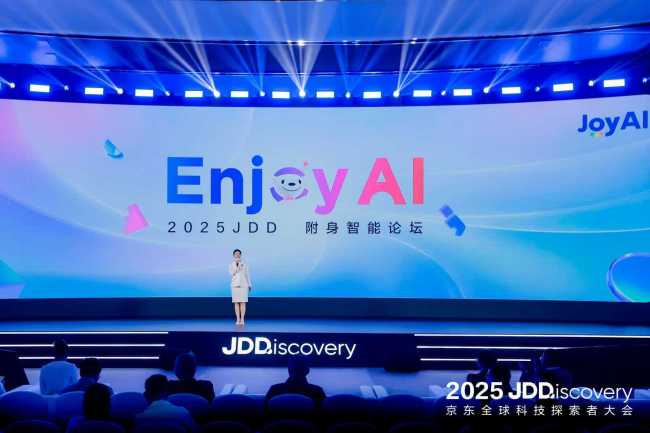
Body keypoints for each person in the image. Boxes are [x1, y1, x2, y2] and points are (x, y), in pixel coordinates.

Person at [229, 248, 252, 326]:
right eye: (236, 254)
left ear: (240, 255)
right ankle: (238, 319)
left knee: (243, 302)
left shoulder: (244, 264)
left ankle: (242, 319)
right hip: (234, 285)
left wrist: (249, 284)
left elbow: (247, 275)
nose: (237, 255)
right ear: (233, 255)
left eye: (239, 253)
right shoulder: (231, 265)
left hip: (243, 285)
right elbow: (232, 274)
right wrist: (238, 267)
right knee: (236, 302)